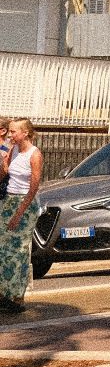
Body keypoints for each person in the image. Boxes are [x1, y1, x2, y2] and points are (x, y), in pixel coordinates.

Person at [1, 118, 42, 313]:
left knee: (18, 250)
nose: (10, 135)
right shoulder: (12, 150)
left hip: (25, 204)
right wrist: (4, 163)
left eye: (14, 132)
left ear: (25, 133)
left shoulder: (34, 155)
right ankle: (4, 293)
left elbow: (33, 188)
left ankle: (17, 297)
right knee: (3, 249)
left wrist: (19, 213)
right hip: (8, 201)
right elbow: (4, 175)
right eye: (9, 132)